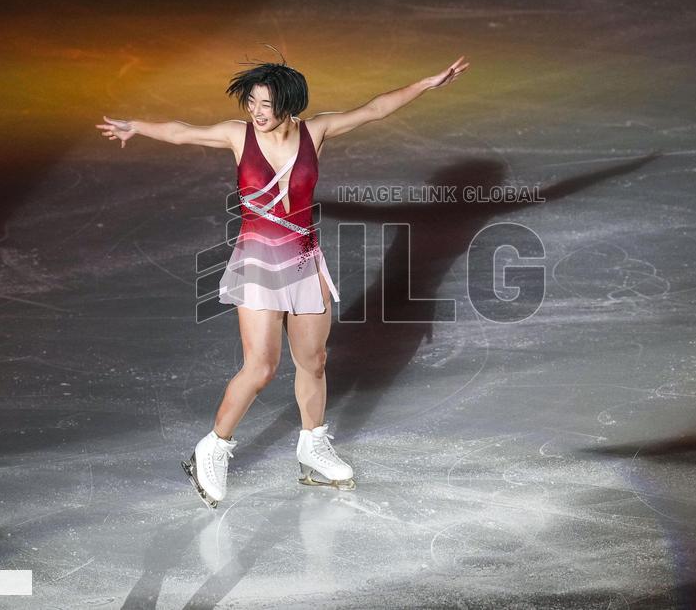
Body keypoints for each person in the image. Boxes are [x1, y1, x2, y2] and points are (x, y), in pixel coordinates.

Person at [96, 50, 469, 507]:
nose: (256, 112)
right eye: (250, 102)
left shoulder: (317, 131)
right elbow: (181, 132)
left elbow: (375, 108)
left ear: (289, 103)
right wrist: (137, 126)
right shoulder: (238, 136)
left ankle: (312, 446)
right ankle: (212, 448)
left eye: (265, 104)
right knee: (262, 367)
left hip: (303, 261)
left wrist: (426, 84)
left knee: (313, 361)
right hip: (256, 262)